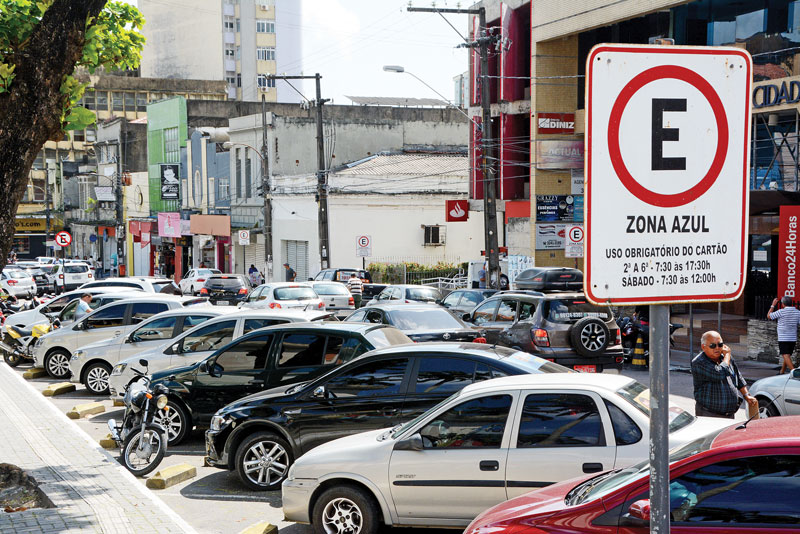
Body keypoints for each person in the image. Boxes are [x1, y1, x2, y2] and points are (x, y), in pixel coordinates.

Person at [691, 330, 757, 419]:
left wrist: (746, 395)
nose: (717, 348)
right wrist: (727, 356)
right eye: (713, 346)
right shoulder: (699, 362)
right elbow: (719, 373)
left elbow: (737, 376)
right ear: (703, 347)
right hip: (709, 414)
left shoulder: (726, 358)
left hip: (729, 414)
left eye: (720, 345)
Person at [767, 296, 800, 374]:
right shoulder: (797, 312)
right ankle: (782, 371)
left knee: (785, 355)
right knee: (787, 355)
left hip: (783, 337)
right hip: (792, 338)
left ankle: (795, 373)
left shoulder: (781, 311)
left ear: (783, 304)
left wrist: (773, 305)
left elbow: (769, 316)